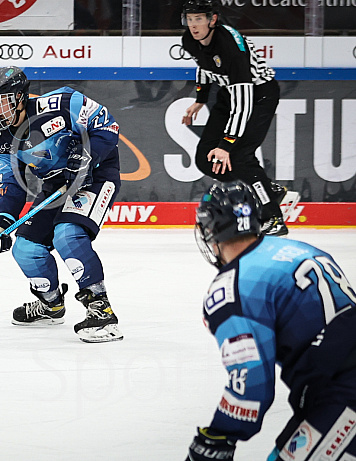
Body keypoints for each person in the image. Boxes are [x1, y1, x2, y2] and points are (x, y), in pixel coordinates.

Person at [186, 179, 356, 461]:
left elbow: (252, 383)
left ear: (211, 231)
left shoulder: (234, 286)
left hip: (344, 391)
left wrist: (219, 435)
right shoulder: (303, 249)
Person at [0, 66, 123, 343]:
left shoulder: (63, 103)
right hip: (54, 186)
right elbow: (11, 183)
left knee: (67, 233)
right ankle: (51, 304)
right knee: (25, 249)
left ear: (20, 98)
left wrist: (84, 156)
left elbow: (107, 126)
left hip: (95, 177)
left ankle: (101, 310)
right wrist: (0, 221)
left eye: (1, 100)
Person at [180, 0, 293, 237]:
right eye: (190, 19)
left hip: (259, 94)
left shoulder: (231, 47)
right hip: (228, 93)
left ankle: (272, 218)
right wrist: (200, 98)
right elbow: (204, 64)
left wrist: (226, 144)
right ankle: (266, 188)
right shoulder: (189, 40)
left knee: (239, 155)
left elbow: (243, 103)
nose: (193, 25)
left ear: (212, 20)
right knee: (204, 159)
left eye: (199, 19)